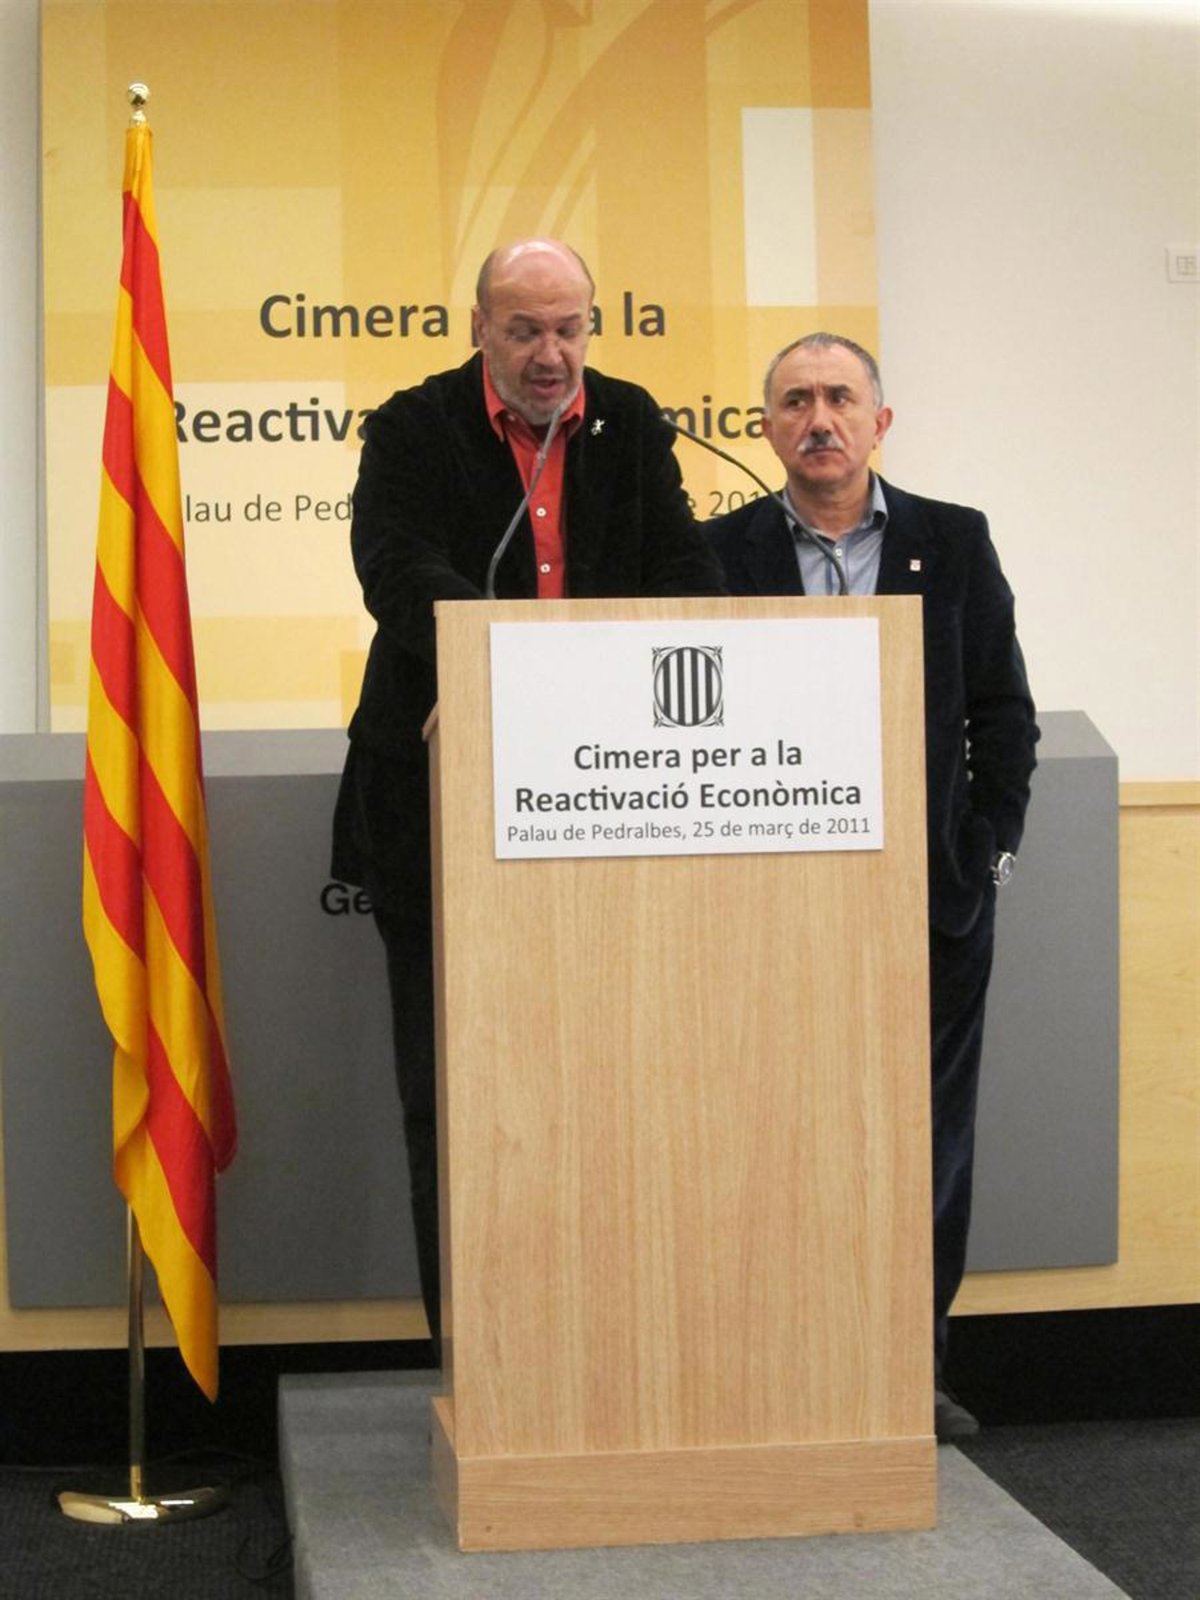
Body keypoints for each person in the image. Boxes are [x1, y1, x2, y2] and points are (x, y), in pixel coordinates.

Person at [331, 238, 725, 1360]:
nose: (551, 355)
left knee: (609, 1090)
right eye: (525, 331)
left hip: (609, 813)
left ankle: (602, 1341)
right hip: (438, 805)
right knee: (454, 1096)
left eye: (569, 329)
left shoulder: (630, 421)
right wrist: (516, 665)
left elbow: (682, 570)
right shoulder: (414, 426)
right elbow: (394, 566)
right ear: (479, 330)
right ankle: (475, 1352)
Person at [707, 332, 1038, 1441]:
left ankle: (908, 1371)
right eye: (796, 401)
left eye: (841, 398)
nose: (820, 420)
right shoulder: (720, 553)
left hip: (930, 902)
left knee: (924, 1145)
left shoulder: (954, 540)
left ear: (879, 422)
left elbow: (1004, 715)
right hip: (767, 908)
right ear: (766, 427)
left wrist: (988, 856)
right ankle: (777, 1368)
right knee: (773, 1136)